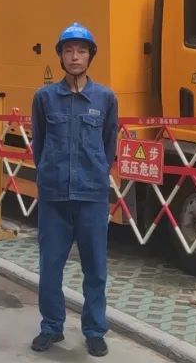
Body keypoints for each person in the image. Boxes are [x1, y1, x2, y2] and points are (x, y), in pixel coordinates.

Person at [29, 22, 119, 358]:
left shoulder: (105, 98)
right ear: (61, 56)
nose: (75, 57)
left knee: (95, 269)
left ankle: (94, 331)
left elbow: (109, 143)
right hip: (54, 197)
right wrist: (50, 173)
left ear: (90, 56)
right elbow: (39, 143)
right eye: (69, 51)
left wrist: (95, 173)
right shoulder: (44, 98)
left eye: (81, 51)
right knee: (50, 269)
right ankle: (51, 327)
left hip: (92, 196)